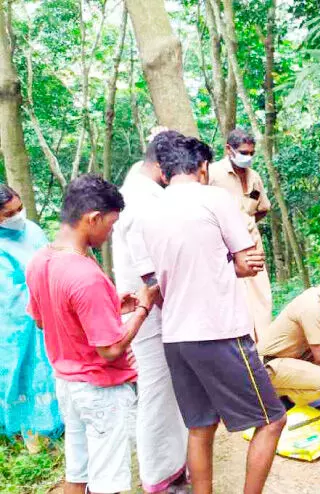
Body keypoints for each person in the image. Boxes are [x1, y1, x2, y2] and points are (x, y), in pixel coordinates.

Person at [136, 135, 286, 494]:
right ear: (202, 168)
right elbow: (248, 259)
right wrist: (227, 266)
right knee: (271, 420)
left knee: (200, 426)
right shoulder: (214, 198)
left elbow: (151, 282)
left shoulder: (146, 212)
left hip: (175, 335)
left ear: (164, 171)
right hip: (220, 330)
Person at [25, 174, 159, 494]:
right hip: (100, 390)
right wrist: (143, 308)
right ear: (93, 218)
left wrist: (112, 305)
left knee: (79, 470)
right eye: (110, 225)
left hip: (67, 384)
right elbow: (110, 350)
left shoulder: (40, 260)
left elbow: (46, 320)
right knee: (107, 481)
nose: (110, 232)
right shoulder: (85, 275)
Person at [111, 130, 189, 493]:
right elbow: (150, 274)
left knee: (171, 390)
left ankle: (173, 463)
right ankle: (158, 475)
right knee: (157, 392)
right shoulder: (141, 200)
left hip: (156, 310)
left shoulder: (140, 184)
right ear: (160, 166)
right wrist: (175, 308)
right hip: (150, 312)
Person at [0, 185, 62, 449]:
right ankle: (27, 436)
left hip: (47, 313)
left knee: (49, 370)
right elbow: (6, 292)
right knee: (21, 374)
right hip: (14, 324)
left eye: (19, 207)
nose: (18, 215)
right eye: (9, 213)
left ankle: (56, 425)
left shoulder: (33, 229)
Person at [257, 265, 320, 405]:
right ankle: (283, 399)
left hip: (294, 360)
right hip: (270, 365)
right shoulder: (312, 306)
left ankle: (289, 397)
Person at [208, 128, 273, 341]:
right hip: (225, 247)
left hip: (253, 245)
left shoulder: (254, 177)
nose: (248, 157)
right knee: (235, 297)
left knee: (261, 298)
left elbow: (262, 207)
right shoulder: (213, 174)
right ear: (229, 150)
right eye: (244, 152)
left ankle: (265, 348)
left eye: (251, 152)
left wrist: (248, 223)